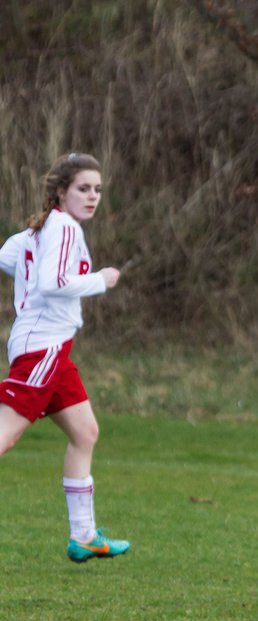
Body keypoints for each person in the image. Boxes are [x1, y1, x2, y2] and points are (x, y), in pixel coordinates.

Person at [0, 153, 131, 563]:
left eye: (97, 189)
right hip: (43, 346)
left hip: (51, 347)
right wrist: (101, 280)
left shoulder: (40, 229)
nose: (92, 196)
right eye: (83, 188)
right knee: (5, 434)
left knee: (85, 432)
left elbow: (7, 256)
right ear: (61, 192)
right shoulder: (64, 227)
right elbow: (54, 282)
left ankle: (84, 536)